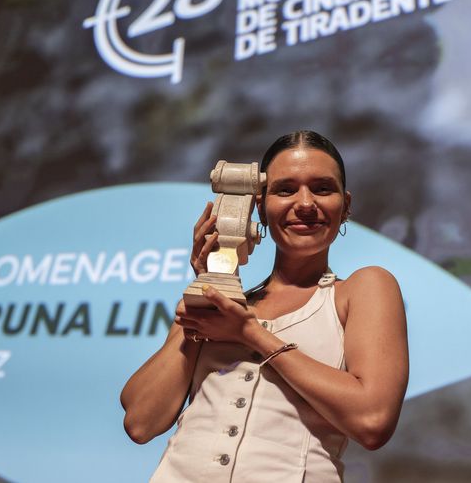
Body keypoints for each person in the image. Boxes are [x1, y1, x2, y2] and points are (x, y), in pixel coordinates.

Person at [120, 130, 408, 482]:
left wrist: (250, 334)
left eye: (321, 188)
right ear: (260, 207)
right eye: (285, 190)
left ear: (345, 206)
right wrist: (207, 284)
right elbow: (140, 421)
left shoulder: (361, 289)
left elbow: (372, 421)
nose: (305, 203)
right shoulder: (224, 302)